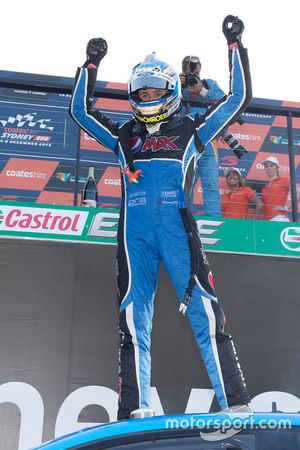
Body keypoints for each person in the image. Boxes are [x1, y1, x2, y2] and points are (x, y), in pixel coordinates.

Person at [70, 15, 252, 420]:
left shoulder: (192, 129)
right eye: (141, 90)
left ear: (170, 91)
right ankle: (135, 409)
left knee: (206, 312)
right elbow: (80, 113)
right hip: (134, 239)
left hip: (177, 232)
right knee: (133, 322)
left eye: (155, 90)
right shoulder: (123, 137)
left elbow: (237, 98)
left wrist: (235, 45)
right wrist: (90, 64)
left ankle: (235, 404)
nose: (148, 95)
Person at [179, 55, 248, 217]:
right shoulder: (177, 84)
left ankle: (214, 219)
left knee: (210, 183)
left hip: (208, 140)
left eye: (194, 66)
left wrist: (201, 91)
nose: (191, 70)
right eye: (187, 67)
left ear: (199, 68)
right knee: (185, 184)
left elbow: (227, 102)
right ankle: (185, 219)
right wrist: (178, 85)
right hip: (185, 141)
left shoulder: (209, 84)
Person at [261, 156, 291, 221]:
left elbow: (298, 192)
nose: (268, 168)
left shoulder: (284, 180)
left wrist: (286, 207)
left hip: (279, 218)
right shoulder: (265, 188)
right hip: (266, 220)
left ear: (277, 168)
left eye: (271, 166)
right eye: (266, 166)